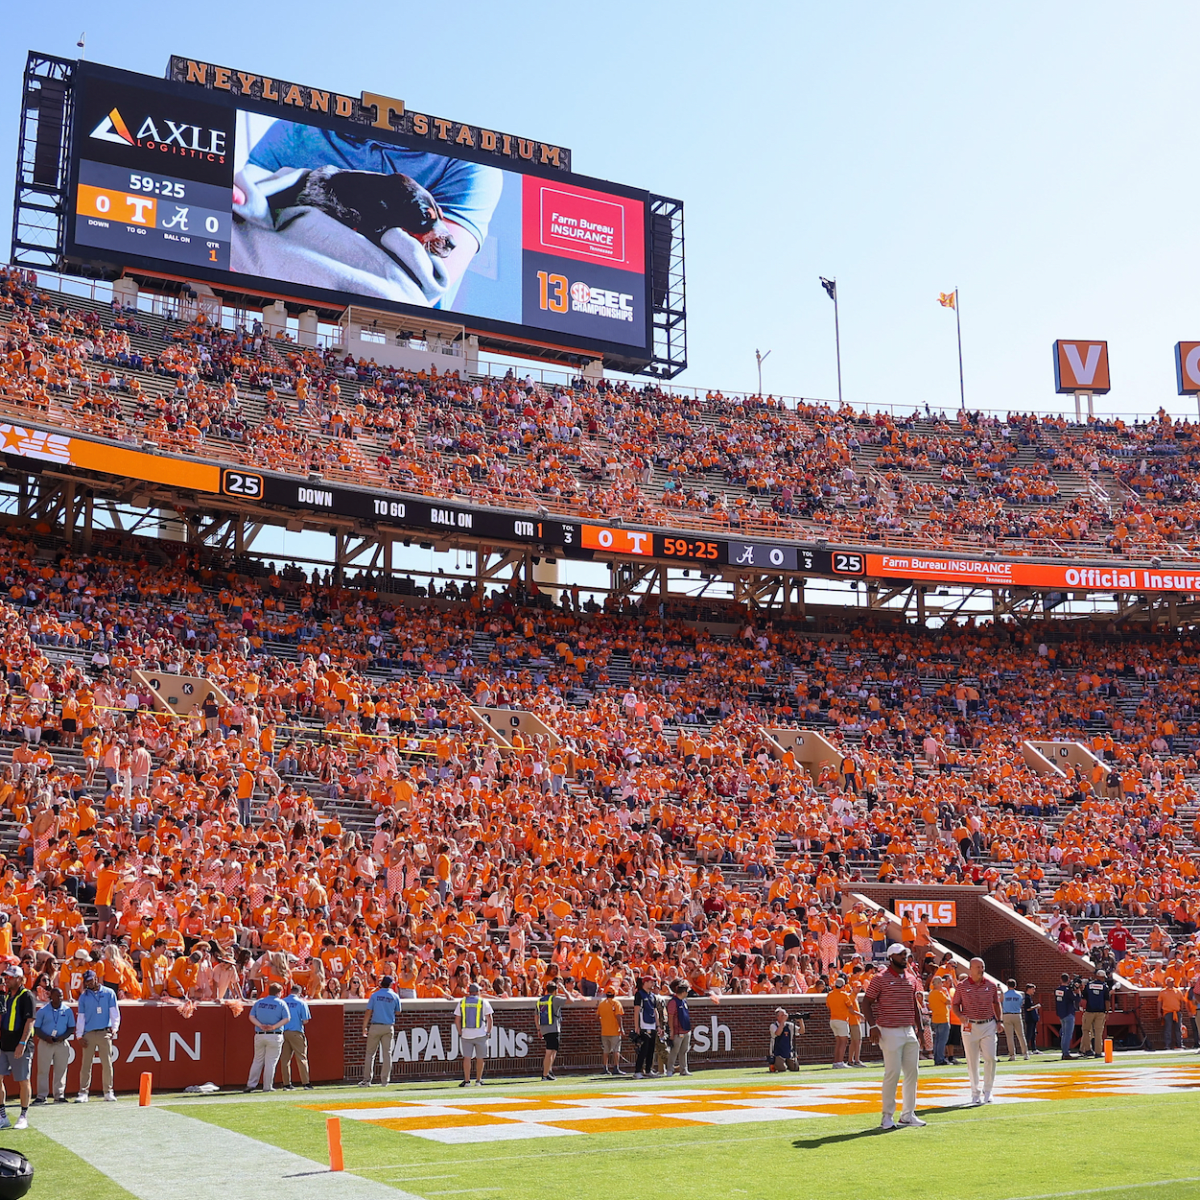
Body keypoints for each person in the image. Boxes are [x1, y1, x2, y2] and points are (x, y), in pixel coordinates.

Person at [862, 943, 928, 1130]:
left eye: (905, 954)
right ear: (891, 957)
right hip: (889, 1030)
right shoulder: (880, 978)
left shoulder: (911, 978)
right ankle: (887, 1116)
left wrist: (920, 1030)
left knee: (912, 1073)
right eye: (900, 955)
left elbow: (914, 1004)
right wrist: (873, 1025)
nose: (904, 958)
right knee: (892, 1073)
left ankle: (908, 1114)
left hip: (908, 1030)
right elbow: (867, 1002)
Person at [953, 958, 1003, 1106]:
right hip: (970, 1025)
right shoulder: (962, 986)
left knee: (991, 1058)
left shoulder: (991, 985)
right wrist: (961, 1016)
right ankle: (975, 1092)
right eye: (978, 967)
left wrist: (999, 1021)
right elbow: (955, 1005)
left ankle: (988, 1090)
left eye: (983, 966)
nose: (981, 969)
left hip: (988, 1024)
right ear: (971, 968)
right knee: (972, 1060)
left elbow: (996, 1003)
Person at [75, 969, 119, 1103]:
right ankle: (83, 1092)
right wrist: (79, 1035)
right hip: (88, 1032)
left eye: (90, 980)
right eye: (86, 981)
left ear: (96, 978)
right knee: (86, 1064)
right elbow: (81, 1017)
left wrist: (115, 1028)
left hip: (104, 1031)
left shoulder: (108, 993)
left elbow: (114, 1012)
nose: (89, 983)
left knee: (107, 1063)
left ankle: (108, 1091)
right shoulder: (84, 996)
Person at [0, 967, 35, 1129]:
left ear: (20, 979)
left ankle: (23, 1115)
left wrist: (22, 1044)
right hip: (3, 1044)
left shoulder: (27, 995)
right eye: (6, 977)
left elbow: (30, 1021)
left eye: (11, 977)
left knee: (23, 1080)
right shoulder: (5, 995)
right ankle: (2, 1116)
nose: (7, 979)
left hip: (19, 1045)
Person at [245, 982, 289, 1093]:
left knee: (257, 1060)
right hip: (274, 1035)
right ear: (279, 992)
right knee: (271, 1062)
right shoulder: (281, 1003)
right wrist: (274, 1026)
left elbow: (251, 1016)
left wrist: (260, 1025)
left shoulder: (259, 1002)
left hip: (260, 1034)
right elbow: (287, 1018)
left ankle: (251, 1084)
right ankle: (267, 1086)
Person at [33, 987, 72, 1105]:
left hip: (61, 1043)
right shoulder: (43, 1010)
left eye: (61, 996)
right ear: (51, 996)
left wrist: (63, 1037)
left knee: (61, 1069)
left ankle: (59, 1095)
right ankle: (41, 1096)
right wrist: (45, 1037)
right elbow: (36, 1028)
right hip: (46, 1043)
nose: (59, 998)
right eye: (57, 996)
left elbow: (71, 1027)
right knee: (43, 1070)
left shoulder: (67, 1010)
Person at [361, 975, 402, 1086]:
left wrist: (364, 1026)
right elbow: (398, 1011)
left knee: (370, 1053)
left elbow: (368, 1011)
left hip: (375, 1026)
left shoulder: (375, 995)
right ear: (390, 984)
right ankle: (385, 1081)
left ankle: (367, 1080)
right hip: (388, 1026)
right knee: (387, 1054)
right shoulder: (394, 996)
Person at [455, 982, 493, 1087]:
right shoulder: (483, 1002)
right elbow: (489, 1018)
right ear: (478, 992)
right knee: (480, 1057)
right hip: (480, 1033)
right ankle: (478, 1080)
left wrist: (460, 1032)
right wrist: (488, 1031)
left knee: (467, 1057)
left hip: (466, 1033)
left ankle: (467, 1081)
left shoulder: (462, 1002)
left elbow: (457, 1019)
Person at [280, 988, 313, 1090]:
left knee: (285, 1059)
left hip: (283, 1032)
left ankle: (286, 1084)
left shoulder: (283, 1002)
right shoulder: (301, 1003)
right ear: (299, 992)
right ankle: (306, 1083)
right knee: (301, 1058)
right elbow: (305, 1020)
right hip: (296, 1032)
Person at [1079, 969, 1112, 1058]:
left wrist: (1083, 1008)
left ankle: (1088, 1050)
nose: (1104, 979)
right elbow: (1107, 1001)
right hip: (1101, 1012)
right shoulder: (1105, 986)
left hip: (1089, 1011)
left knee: (1086, 1030)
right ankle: (1098, 1052)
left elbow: (1084, 999)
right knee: (1098, 1033)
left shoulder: (1089, 985)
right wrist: (1107, 1012)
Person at [536, 981, 564, 1081]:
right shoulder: (554, 999)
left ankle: (548, 1070)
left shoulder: (540, 1000)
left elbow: (536, 1015)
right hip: (553, 1027)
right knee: (549, 1051)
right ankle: (545, 1074)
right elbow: (570, 1000)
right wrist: (564, 989)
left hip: (544, 1027)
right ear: (555, 990)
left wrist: (538, 1029)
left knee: (552, 1050)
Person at [632, 977, 659, 1078]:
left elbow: (655, 1011)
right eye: (651, 982)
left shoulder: (652, 996)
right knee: (643, 1049)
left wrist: (658, 1025)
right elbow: (636, 1011)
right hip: (644, 1024)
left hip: (652, 1024)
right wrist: (637, 1026)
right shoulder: (639, 994)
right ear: (645, 983)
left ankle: (648, 1069)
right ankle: (638, 1071)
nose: (652, 984)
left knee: (651, 1049)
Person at [665, 981, 693, 1077]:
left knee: (684, 1051)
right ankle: (670, 1069)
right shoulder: (673, 1002)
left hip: (686, 1030)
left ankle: (684, 1069)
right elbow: (671, 1017)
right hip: (678, 1031)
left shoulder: (684, 1001)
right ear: (683, 992)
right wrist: (672, 1031)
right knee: (674, 1051)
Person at [597, 986, 625, 1076]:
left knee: (606, 1050)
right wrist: (621, 1028)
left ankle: (605, 1068)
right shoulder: (616, 1003)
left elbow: (597, 1017)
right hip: (614, 1031)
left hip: (604, 1031)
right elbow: (618, 1016)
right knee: (616, 1050)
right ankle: (616, 1068)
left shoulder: (601, 1004)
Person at [827, 975, 853, 1068]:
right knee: (843, 1041)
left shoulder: (830, 994)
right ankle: (840, 1062)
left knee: (838, 1042)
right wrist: (859, 1014)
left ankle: (836, 1062)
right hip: (842, 1020)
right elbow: (850, 1008)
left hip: (833, 1020)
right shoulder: (844, 995)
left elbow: (828, 1006)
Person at [1001, 978, 1030, 1061]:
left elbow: (1001, 1003)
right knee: (1021, 1035)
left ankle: (1012, 1055)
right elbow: (1021, 1004)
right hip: (1017, 1014)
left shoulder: (1004, 995)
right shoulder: (1020, 995)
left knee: (1009, 1036)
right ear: (1015, 985)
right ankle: (1025, 1054)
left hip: (1006, 1015)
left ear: (1007, 986)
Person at [929, 974, 953, 1066]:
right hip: (943, 1019)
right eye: (941, 983)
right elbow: (948, 1001)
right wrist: (946, 992)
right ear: (938, 983)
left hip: (935, 1018)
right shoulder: (939, 993)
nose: (943, 984)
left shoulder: (931, 993)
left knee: (938, 1041)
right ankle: (940, 1059)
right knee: (942, 1041)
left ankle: (937, 1058)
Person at [769, 1008, 803, 1072]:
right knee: (782, 1069)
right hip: (777, 1052)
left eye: (785, 1015)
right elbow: (778, 1033)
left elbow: (801, 1031)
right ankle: (773, 1065)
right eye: (782, 1015)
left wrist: (801, 1021)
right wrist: (782, 1022)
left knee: (795, 1068)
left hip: (788, 1051)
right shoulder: (773, 1026)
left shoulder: (789, 1025)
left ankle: (788, 1063)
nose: (785, 1016)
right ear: (777, 1017)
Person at [1055, 973, 1080, 1059]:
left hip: (1061, 1013)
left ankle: (1064, 1052)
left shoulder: (1057, 990)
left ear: (1060, 979)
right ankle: (1065, 1053)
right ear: (1068, 980)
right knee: (1067, 1035)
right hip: (1068, 1013)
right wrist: (1078, 993)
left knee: (1064, 1034)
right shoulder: (1067, 991)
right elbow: (1076, 999)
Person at [1158, 981, 1184, 1051]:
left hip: (1177, 1012)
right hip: (1167, 1012)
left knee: (1178, 1029)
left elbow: (1182, 1001)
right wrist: (1159, 1012)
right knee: (1168, 1029)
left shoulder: (1178, 991)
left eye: (1172, 982)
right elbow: (1159, 1002)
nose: (1172, 983)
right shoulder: (1162, 992)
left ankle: (1179, 1044)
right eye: (1170, 982)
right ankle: (1167, 1045)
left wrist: (1180, 1009)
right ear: (1167, 983)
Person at [1022, 984, 1042, 1054]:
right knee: (1029, 1033)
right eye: (1033, 989)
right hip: (1029, 1018)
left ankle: (1034, 1048)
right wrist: (1036, 1006)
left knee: (1033, 1033)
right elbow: (1028, 1008)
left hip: (1032, 1018)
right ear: (1029, 989)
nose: (1034, 991)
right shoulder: (1027, 998)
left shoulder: (1029, 997)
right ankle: (1026, 1049)